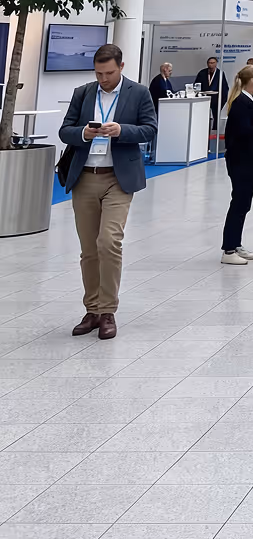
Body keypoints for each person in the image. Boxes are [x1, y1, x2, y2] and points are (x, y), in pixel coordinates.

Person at [57, 45, 156, 340]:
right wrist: (84, 133)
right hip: (85, 176)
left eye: (109, 73)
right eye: (99, 73)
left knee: (108, 241)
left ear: (121, 66)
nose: (104, 79)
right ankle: (93, 310)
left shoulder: (138, 93)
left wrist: (121, 130)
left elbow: (150, 129)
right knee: (89, 249)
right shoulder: (84, 93)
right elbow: (65, 130)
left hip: (119, 177)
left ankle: (108, 310)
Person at [221, 64, 253, 264]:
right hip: (241, 159)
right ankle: (229, 250)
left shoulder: (249, 99)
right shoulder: (241, 102)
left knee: (244, 203)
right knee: (239, 202)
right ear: (252, 80)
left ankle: (236, 243)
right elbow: (242, 131)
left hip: (249, 158)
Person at [194, 55, 229, 130]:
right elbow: (196, 85)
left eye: (213, 63)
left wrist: (223, 99)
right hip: (204, 97)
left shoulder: (220, 73)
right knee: (203, 114)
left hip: (216, 97)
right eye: (209, 63)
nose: (211, 65)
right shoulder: (202, 73)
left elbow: (225, 87)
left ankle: (215, 129)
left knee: (216, 115)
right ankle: (203, 128)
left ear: (216, 63)